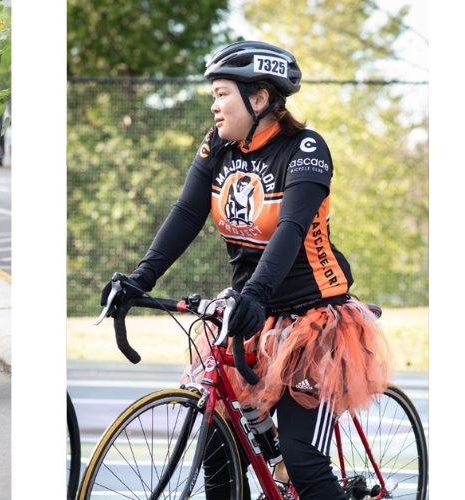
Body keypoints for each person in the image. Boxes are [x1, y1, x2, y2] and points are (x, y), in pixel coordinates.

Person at [101, 41, 392, 500]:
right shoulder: (219, 146)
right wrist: (140, 279)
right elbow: (185, 214)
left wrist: (255, 295)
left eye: (222, 94)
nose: (214, 106)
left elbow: (291, 229)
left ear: (259, 99)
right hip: (253, 313)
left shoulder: (306, 148)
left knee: (301, 460)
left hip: (314, 320)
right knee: (218, 445)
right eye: (213, 96)